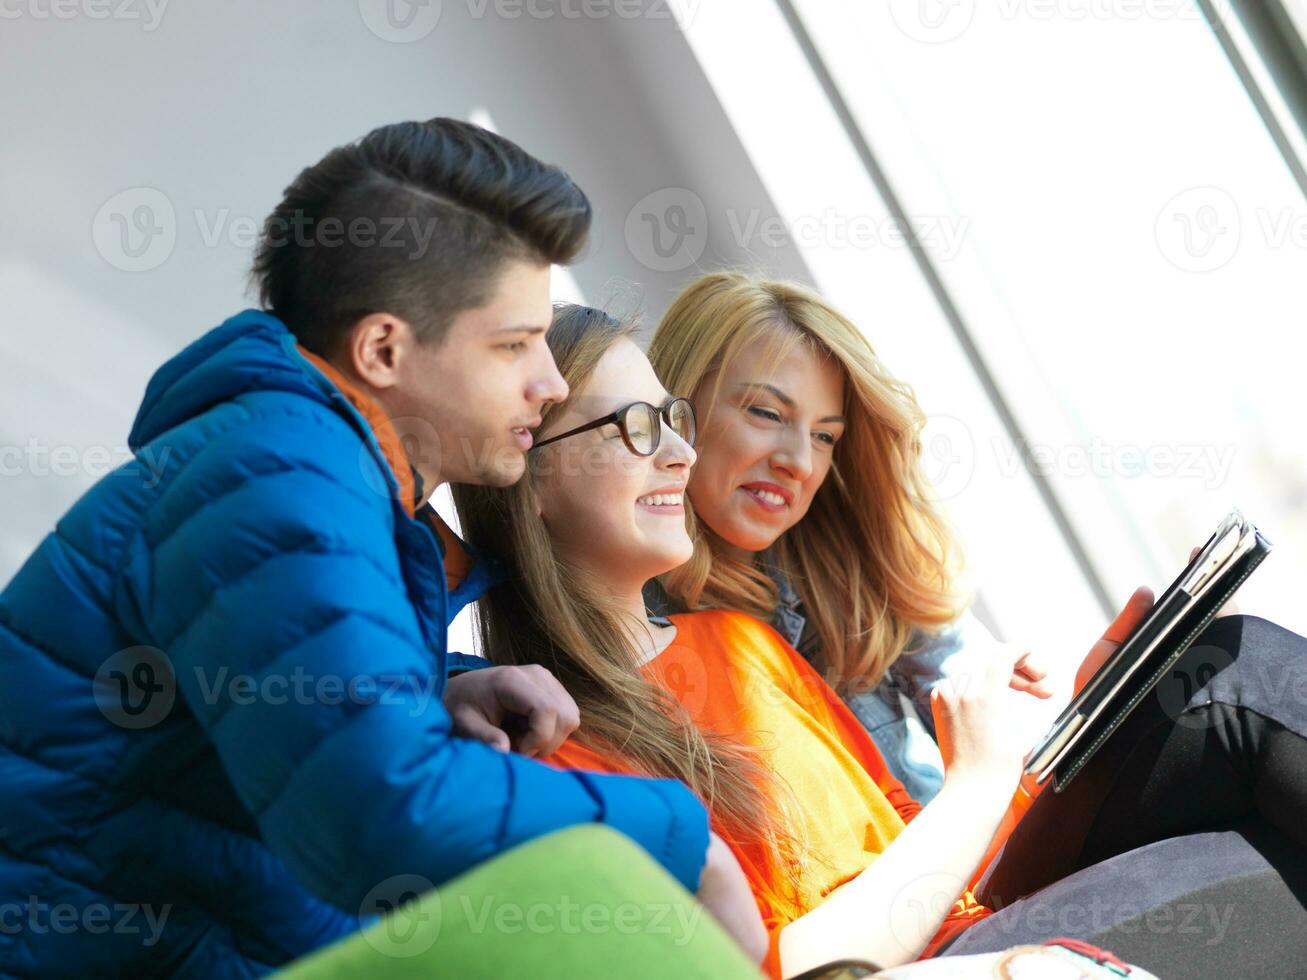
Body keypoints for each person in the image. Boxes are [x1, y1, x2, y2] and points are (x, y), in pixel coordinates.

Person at [0, 120, 758, 977]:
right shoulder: (281, 478)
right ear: (383, 349)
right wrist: (684, 838)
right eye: (513, 346)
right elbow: (377, 814)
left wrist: (433, 693)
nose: (548, 385)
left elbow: (255, 703)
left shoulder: (302, 463)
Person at [455, 302, 1307, 978]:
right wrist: (973, 781)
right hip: (921, 965)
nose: (677, 451)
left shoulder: (738, 644)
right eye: (635, 428)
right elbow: (779, 971)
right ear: (527, 476)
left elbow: (935, 855)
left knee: (1217, 673)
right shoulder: (547, 753)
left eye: (673, 419)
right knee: (1240, 692)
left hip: (976, 924)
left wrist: (1079, 720)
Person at [645, 270, 1037, 804]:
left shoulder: (847, 559)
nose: (799, 462)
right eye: (766, 413)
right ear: (678, 404)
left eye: (825, 435)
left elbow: (1008, 746)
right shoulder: (633, 621)